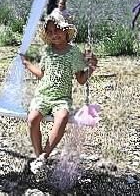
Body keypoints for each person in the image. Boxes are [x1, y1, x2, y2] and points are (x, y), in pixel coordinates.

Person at [20, 9, 97, 175]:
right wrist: (27, 64)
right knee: (33, 118)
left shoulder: (73, 52)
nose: (54, 35)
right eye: (50, 32)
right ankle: (38, 155)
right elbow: (41, 74)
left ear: (65, 31)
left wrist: (91, 67)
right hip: (43, 95)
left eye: (57, 30)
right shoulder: (47, 52)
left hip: (61, 98)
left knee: (61, 118)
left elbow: (81, 80)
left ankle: (43, 157)